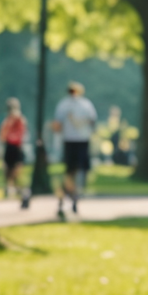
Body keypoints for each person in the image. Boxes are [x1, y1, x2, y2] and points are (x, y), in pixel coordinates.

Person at [51, 82, 98, 221]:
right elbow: (92, 121)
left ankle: (70, 195)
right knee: (76, 170)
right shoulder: (85, 104)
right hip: (79, 140)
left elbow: (57, 125)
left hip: (72, 140)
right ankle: (73, 195)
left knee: (71, 171)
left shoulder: (64, 104)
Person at [0, 99, 30, 207]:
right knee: (8, 175)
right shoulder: (7, 122)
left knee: (17, 175)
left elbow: (22, 136)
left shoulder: (21, 121)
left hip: (17, 149)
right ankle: (20, 194)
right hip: (9, 148)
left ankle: (25, 195)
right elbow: (2, 136)